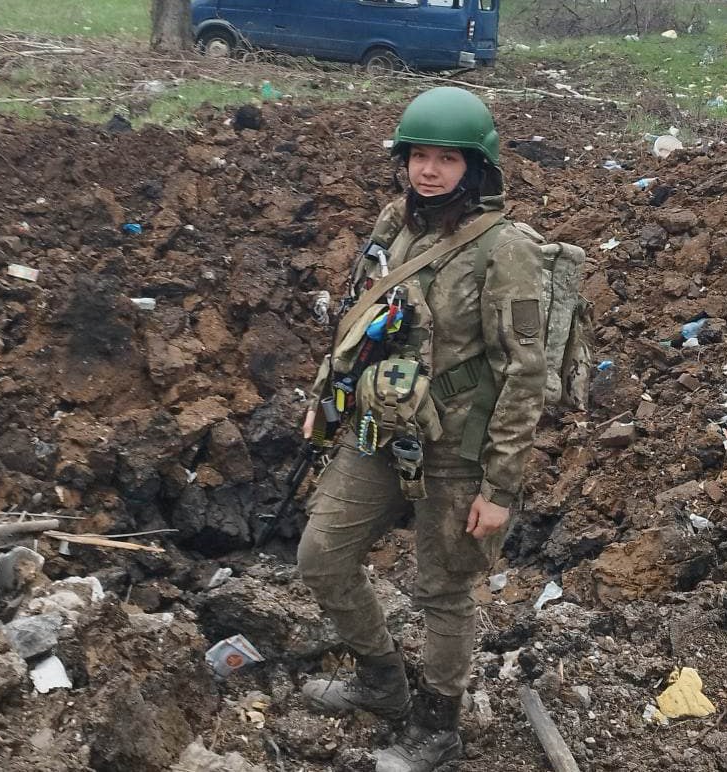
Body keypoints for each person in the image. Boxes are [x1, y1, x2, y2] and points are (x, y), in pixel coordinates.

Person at [296, 86, 547, 772]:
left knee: (443, 590)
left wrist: (500, 487)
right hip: (381, 428)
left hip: (459, 450)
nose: (429, 171)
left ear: (477, 167)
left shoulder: (504, 249)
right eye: (418, 156)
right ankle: (382, 679)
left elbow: (525, 373)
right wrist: (326, 397)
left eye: (447, 158)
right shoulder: (394, 224)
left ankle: (438, 727)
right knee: (321, 555)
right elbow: (358, 321)